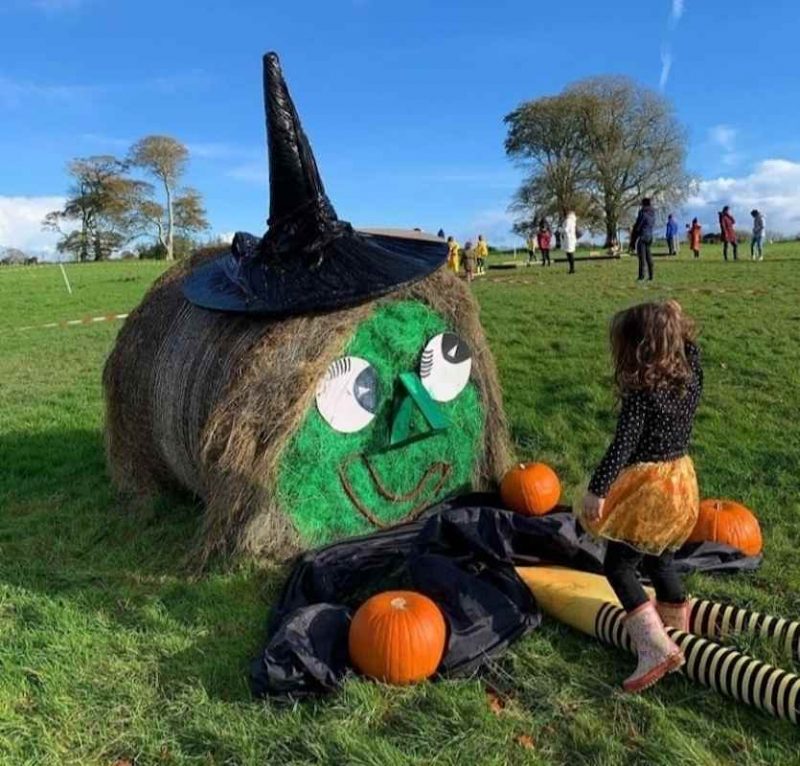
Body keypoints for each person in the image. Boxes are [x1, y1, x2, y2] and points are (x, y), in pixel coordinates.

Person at [579, 300, 703, 693]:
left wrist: (597, 491)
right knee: (661, 558)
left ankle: (654, 649)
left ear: (636, 348)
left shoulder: (641, 392)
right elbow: (696, 353)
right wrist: (679, 323)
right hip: (680, 482)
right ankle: (677, 634)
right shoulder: (691, 378)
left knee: (619, 566)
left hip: (649, 488)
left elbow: (622, 446)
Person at [630, 197, 655, 281]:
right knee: (649, 257)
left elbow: (638, 227)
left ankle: (641, 276)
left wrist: (632, 241)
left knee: (642, 258)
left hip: (643, 236)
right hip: (650, 237)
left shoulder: (642, 213)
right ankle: (651, 276)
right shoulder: (652, 214)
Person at [561, 209, 577, 274]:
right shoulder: (573, 221)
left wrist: (560, 230)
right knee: (571, 254)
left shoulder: (568, 221)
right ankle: (572, 268)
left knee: (569, 254)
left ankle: (572, 269)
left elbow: (566, 230)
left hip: (568, 239)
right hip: (572, 238)